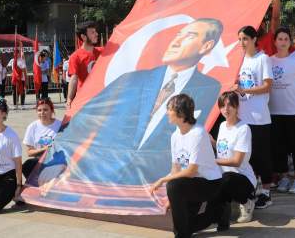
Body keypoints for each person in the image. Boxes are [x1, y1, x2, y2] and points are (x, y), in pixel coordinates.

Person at [38, 18, 223, 189]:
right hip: (105, 177)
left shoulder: (211, 89)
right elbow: (86, 120)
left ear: (206, 46)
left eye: (188, 36)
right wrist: (57, 160)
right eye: (177, 34)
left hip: (159, 181)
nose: (176, 41)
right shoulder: (130, 81)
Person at [150, 94, 224, 238]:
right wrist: (170, 199)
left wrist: (162, 180)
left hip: (210, 183)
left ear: (181, 113)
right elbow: (175, 169)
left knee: (173, 186)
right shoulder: (175, 135)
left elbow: (191, 171)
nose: (167, 113)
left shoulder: (198, 133)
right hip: (192, 183)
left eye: (170, 109)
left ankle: (182, 235)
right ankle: (218, 213)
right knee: (185, 224)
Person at [268, 27, 295, 193]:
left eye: (286, 39)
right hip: (274, 112)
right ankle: (284, 177)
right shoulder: (268, 61)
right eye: (280, 39)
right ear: (275, 42)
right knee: (279, 147)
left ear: (290, 42)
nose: (283, 42)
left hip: (293, 111)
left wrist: (294, 93)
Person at [234, 25, 273, 209]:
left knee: (262, 156)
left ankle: (266, 191)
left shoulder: (263, 59)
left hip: (259, 117)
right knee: (247, 157)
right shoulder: (240, 60)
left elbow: (267, 86)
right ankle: (253, 188)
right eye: (240, 39)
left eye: (245, 39)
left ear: (254, 39)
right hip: (243, 117)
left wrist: (244, 90)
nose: (242, 43)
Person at [214, 91, 258, 223]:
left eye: (230, 105)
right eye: (222, 106)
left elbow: (237, 161)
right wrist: (211, 142)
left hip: (241, 178)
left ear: (237, 107)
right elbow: (224, 148)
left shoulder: (243, 129)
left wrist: (211, 162)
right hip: (223, 176)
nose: (226, 109)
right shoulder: (222, 125)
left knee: (227, 179)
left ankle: (247, 201)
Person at [22, 98, 62, 180]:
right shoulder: (32, 127)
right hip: (39, 161)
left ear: (51, 110)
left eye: (45, 110)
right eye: (39, 110)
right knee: (27, 165)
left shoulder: (60, 125)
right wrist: (45, 149)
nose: (42, 113)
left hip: (56, 161)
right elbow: (29, 152)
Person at [66, 21, 102, 109]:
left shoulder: (103, 52)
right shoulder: (75, 57)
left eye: (95, 31)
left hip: (103, 98)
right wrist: (69, 98)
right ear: (83, 37)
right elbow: (74, 79)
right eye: (92, 32)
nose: (96, 34)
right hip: (86, 101)